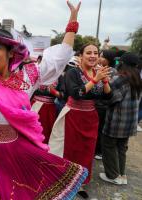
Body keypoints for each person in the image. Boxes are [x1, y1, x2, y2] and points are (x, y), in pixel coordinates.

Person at [0, 2, 88, 199]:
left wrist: (72, 24)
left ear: (11, 53)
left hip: (9, 151)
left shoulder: (26, 77)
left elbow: (58, 58)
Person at [49, 43, 112, 198]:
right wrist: (96, 79)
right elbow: (76, 93)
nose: (92, 56)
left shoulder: (98, 71)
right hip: (73, 115)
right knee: (70, 149)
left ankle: (80, 182)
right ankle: (66, 180)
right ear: (80, 55)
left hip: (90, 117)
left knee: (87, 150)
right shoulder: (73, 73)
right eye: (88, 52)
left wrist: (104, 81)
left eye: (95, 53)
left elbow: (108, 96)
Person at [99, 52, 142, 185]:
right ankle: (122, 175)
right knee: (122, 147)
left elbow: (110, 97)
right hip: (130, 122)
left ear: (122, 63)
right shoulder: (137, 78)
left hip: (117, 121)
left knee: (108, 146)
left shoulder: (119, 78)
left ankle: (112, 175)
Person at [94, 50, 118, 160]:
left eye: (102, 56)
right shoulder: (98, 68)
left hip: (102, 105)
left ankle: (98, 151)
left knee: (99, 129)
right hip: (96, 104)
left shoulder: (112, 71)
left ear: (109, 59)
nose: (99, 58)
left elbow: (108, 89)